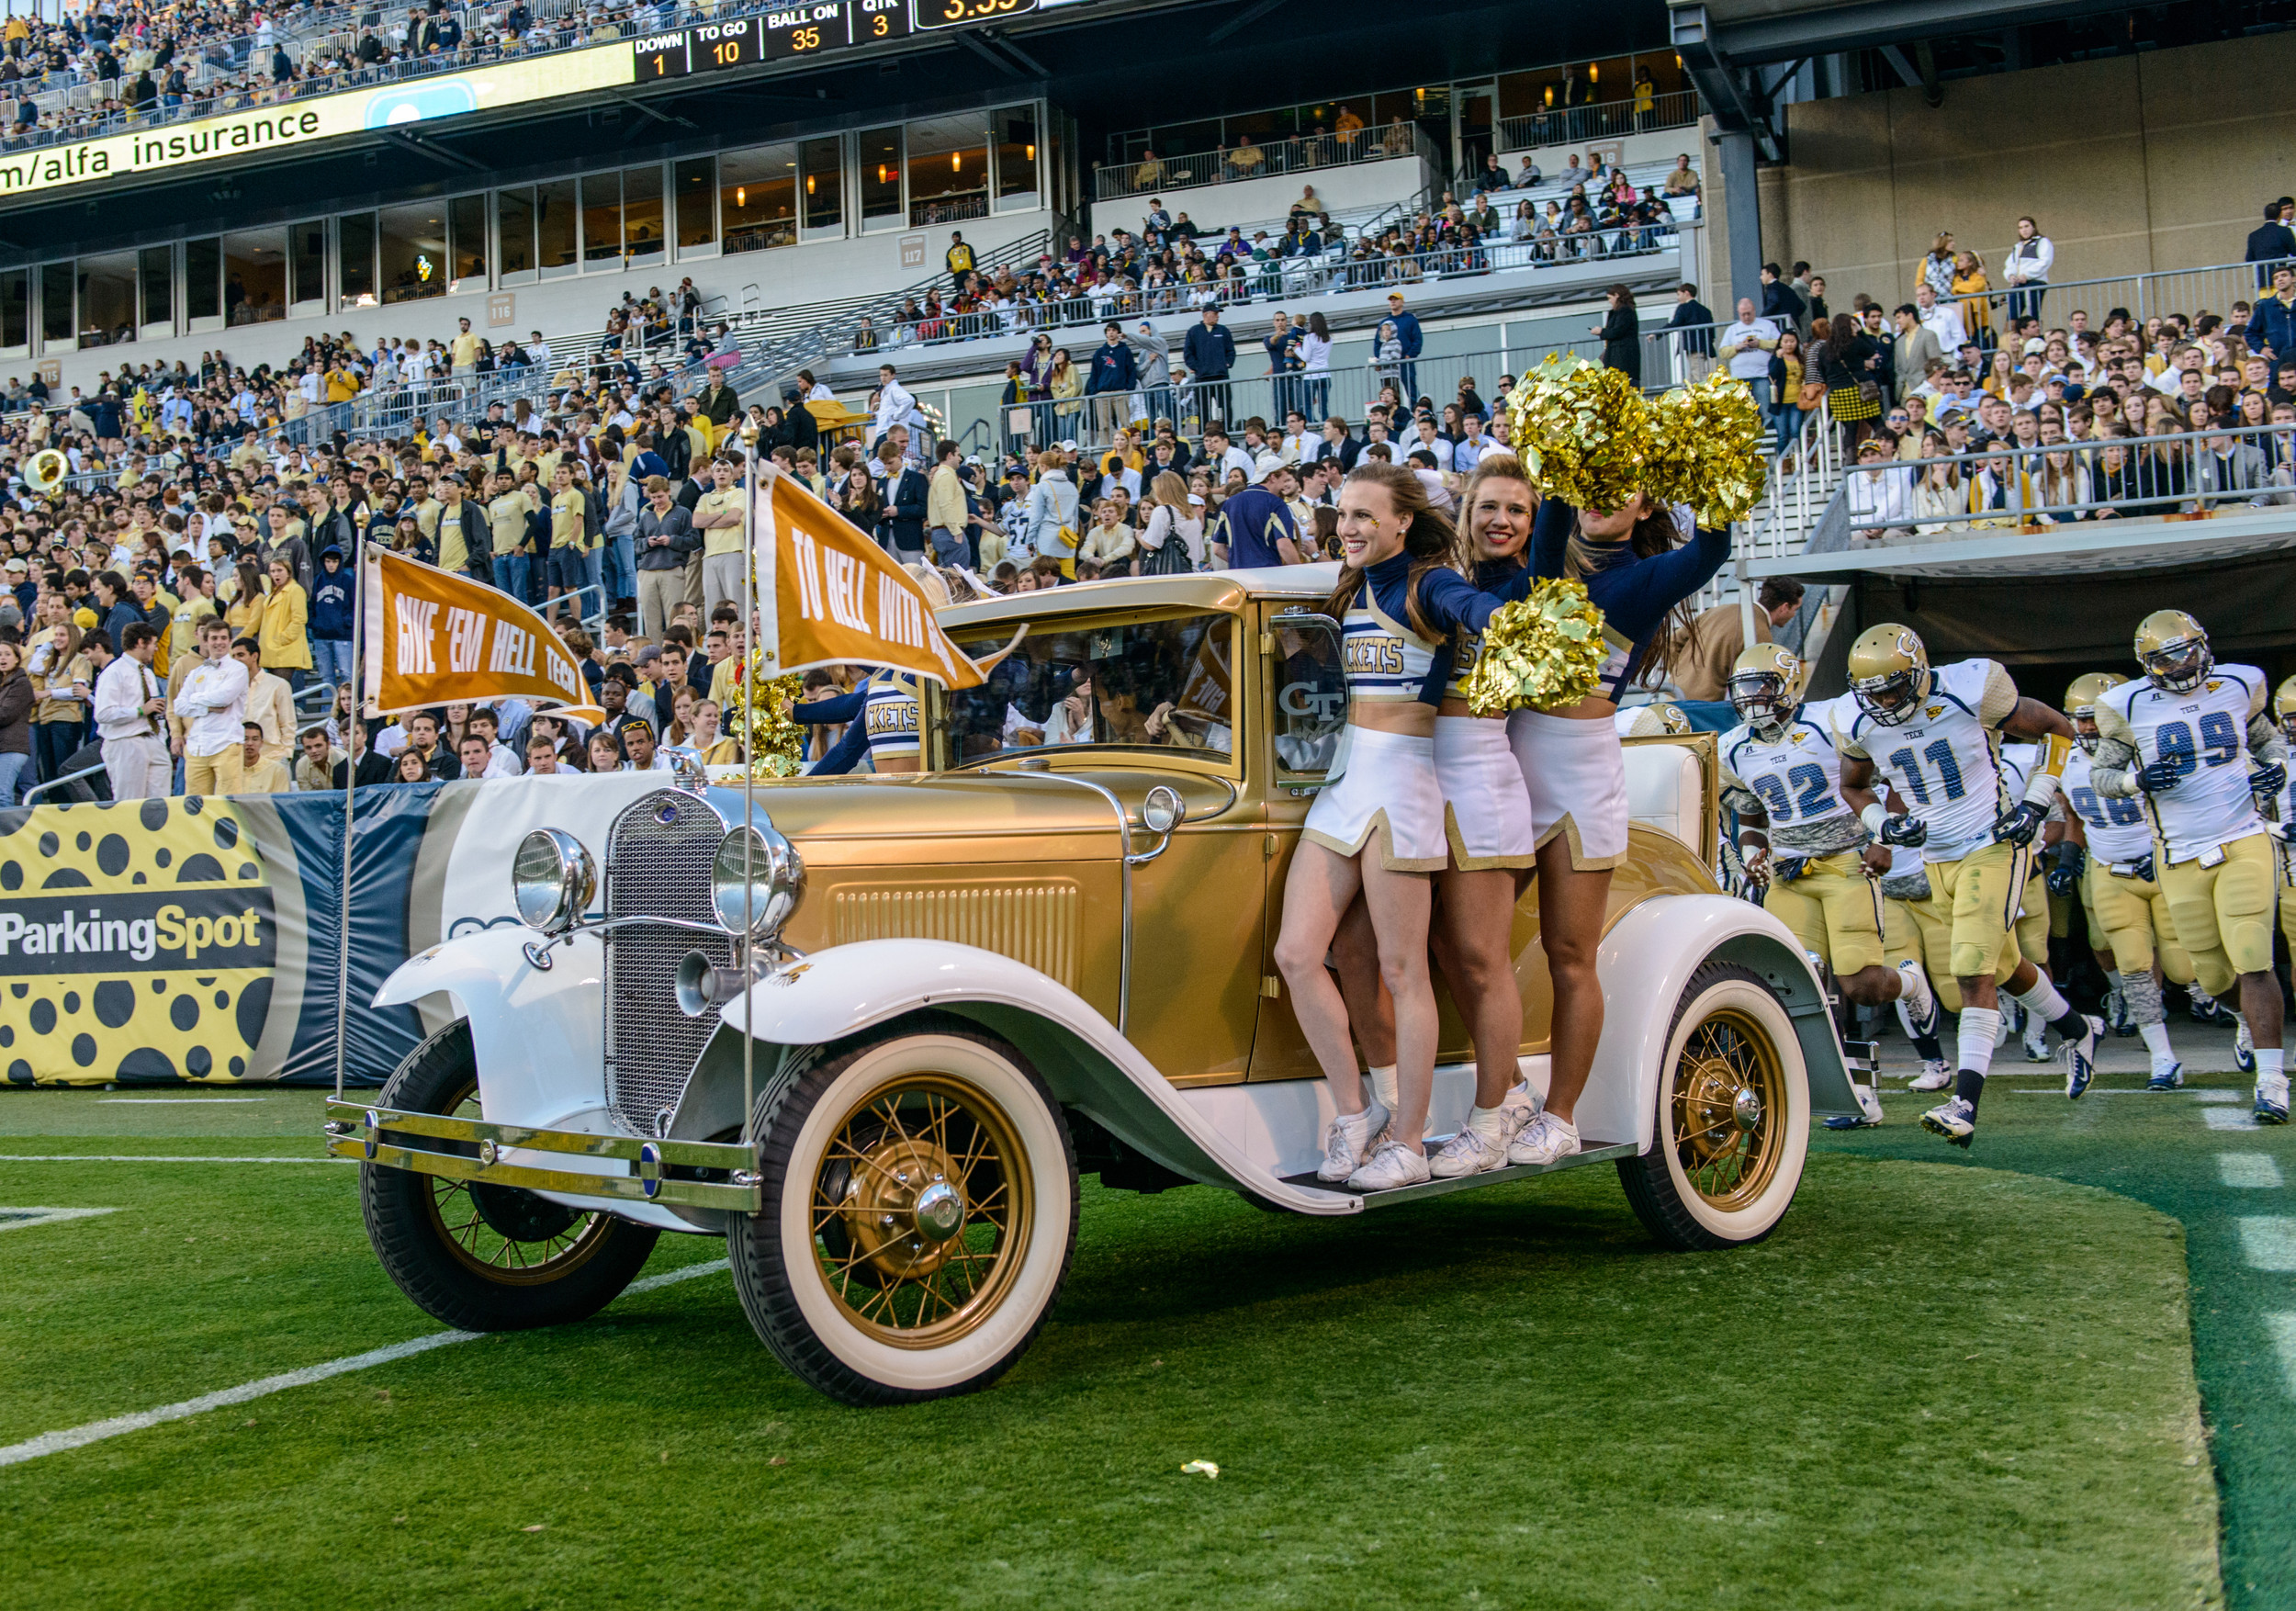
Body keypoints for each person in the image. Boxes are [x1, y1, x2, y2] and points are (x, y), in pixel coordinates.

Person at [1275, 463, 1522, 1191]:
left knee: (1403, 970)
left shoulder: (1429, 584)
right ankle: (1357, 1113)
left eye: (1364, 515)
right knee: (1297, 954)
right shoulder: (1348, 586)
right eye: (1343, 513)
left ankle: (1409, 1140)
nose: (1348, 527)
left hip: (1403, 786)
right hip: (1343, 783)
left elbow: (1474, 607)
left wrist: (1505, 621)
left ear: (1403, 522)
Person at [1834, 625, 2096, 1148]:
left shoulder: (1970, 688)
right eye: (1873, 693)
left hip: (1994, 842)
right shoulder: (1857, 719)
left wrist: (2035, 802)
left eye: (1893, 688)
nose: (1884, 702)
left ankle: (1965, 1105)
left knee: (1972, 971)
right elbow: (1853, 785)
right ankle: (2079, 1031)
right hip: (1937, 857)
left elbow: (2058, 729)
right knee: (2006, 967)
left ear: (1918, 673)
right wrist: (1883, 824)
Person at [1720, 643, 1941, 1128]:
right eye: (1744, 689)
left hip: (1847, 863)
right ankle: (1858, 1095)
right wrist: (1755, 853)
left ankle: (1910, 984)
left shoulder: (1832, 720)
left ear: (1790, 684)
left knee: (1861, 985)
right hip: (1789, 872)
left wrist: (1882, 837)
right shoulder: (1734, 747)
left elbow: (1893, 774)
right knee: (1801, 983)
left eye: (1762, 687)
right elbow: (1752, 816)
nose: (1752, 698)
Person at [2088, 612, 2288, 1122]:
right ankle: (2245, 1018)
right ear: (2146, 664)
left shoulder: (2239, 684)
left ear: (2204, 646)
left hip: (2243, 836)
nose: (2180, 666)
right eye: (2165, 659)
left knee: (2253, 955)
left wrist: (2275, 768)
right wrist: (2137, 781)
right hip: (2177, 852)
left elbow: (2268, 741)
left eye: (2187, 652)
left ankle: (2272, 1080)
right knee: (2213, 977)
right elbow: (2102, 776)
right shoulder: (2125, 704)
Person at [2054, 672, 2191, 1090]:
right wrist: (2067, 861)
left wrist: (2160, 850)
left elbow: (2190, 805)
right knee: (2132, 967)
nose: (2088, 727)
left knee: (2189, 968)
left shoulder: (2149, 746)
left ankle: (2241, 1019)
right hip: (2110, 869)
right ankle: (2163, 1058)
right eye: (2081, 718)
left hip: (2165, 865)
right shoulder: (2063, 758)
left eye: (2096, 717)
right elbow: (2075, 816)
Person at [1671, 579, 1804, 701]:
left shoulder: (1717, 611)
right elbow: (1755, 685)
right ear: (1784, 607)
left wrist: (1680, 674)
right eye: (1795, 609)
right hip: (1707, 706)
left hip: (1675, 696)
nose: (1794, 615)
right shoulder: (1759, 632)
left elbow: (1672, 642)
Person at [95, 620, 171, 801]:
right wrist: (140, 711)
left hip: (153, 740)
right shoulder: (114, 672)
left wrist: (161, 738)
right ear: (140, 643)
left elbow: (155, 708)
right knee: (129, 803)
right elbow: (103, 713)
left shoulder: (148, 673)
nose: (156, 649)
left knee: (159, 803)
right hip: (125, 741)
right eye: (153, 644)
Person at [174, 618, 250, 798]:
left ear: (230, 641)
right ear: (205, 641)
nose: (219, 643)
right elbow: (179, 706)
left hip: (226, 742)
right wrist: (207, 708)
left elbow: (223, 699)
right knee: (195, 804)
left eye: (223, 638)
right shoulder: (196, 672)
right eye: (214, 638)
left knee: (228, 802)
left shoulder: (238, 669)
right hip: (197, 745)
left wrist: (195, 698)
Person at [1207, 456, 1304, 568]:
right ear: (1272, 477)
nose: (1284, 485)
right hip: (1269, 572)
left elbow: (1217, 548)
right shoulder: (1276, 503)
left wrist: (1238, 563)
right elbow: (1284, 546)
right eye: (1284, 479)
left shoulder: (1229, 503)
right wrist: (1299, 570)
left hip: (1238, 574)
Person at [1721, 297, 1781, 414]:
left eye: (1749, 313)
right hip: (1740, 377)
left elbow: (1780, 344)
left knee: (1766, 411)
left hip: (1762, 375)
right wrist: (1736, 347)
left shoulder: (1767, 325)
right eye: (1743, 314)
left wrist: (1760, 343)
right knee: (1744, 413)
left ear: (1754, 310)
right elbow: (1723, 352)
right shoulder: (1732, 329)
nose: (1746, 317)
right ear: (1738, 313)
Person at [1593, 284, 1640, 387]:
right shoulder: (1622, 311)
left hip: (1623, 358)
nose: (1609, 301)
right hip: (1619, 356)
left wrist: (1601, 331)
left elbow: (1618, 331)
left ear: (1617, 295)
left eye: (1610, 298)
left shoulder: (1625, 311)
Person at [239, 722, 292, 794]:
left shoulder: (276, 770)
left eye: (255, 739)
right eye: (245, 739)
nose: (250, 743)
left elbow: (281, 800)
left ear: (261, 743)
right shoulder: (229, 770)